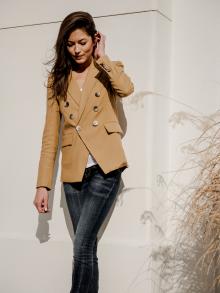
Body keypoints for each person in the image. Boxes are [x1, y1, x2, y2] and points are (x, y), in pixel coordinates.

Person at [33, 11, 134, 293]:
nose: (76, 49)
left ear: (94, 40)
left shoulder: (107, 68)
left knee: (81, 246)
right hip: (73, 175)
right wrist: (43, 185)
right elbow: (50, 135)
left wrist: (103, 57)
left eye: (82, 42)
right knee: (87, 249)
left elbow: (127, 89)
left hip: (105, 169)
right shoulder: (58, 80)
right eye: (70, 44)